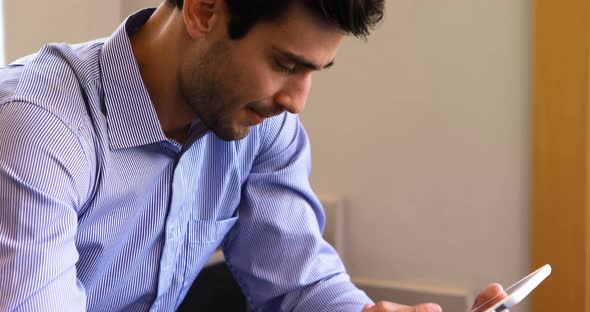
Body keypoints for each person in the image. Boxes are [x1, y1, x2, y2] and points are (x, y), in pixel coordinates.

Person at [0, 0, 503, 311]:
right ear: (203, 10)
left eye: (314, 71)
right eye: (284, 64)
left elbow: (298, 286)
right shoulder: (38, 127)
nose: (296, 101)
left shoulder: (262, 127)